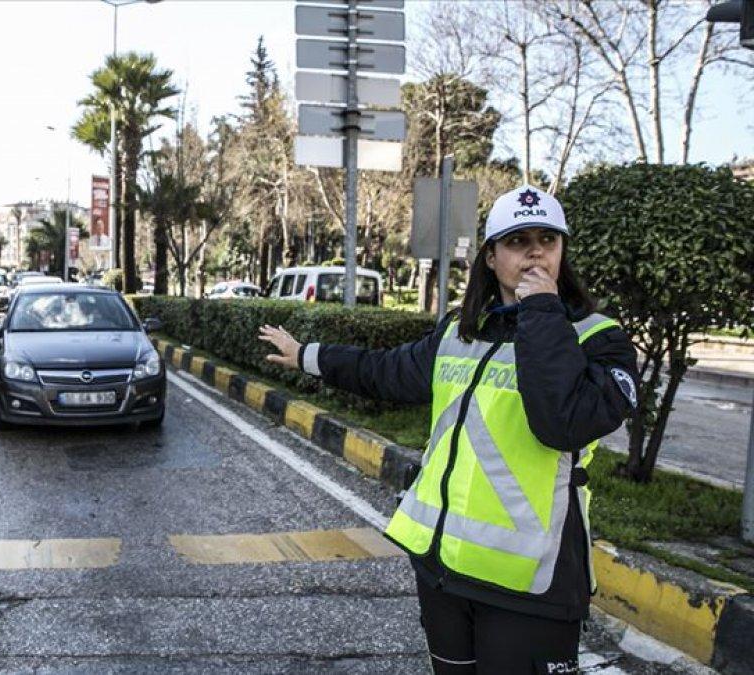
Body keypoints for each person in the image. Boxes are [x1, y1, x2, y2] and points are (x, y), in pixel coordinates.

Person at [259, 185, 639, 674]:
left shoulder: (597, 339)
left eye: (548, 238)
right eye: (517, 241)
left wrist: (542, 308)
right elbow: (385, 372)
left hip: (528, 589)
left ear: (563, 250)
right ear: (490, 256)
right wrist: (306, 355)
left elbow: (561, 423)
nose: (535, 251)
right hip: (443, 574)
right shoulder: (461, 332)